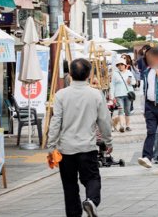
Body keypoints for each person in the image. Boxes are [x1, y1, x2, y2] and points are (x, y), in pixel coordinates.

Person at [48, 58, 112, 217]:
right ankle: (91, 200)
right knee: (92, 178)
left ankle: (74, 214)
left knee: (69, 185)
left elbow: (55, 121)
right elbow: (104, 120)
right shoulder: (96, 94)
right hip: (87, 147)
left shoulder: (61, 95)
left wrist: (51, 145)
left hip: (66, 149)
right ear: (89, 75)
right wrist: (107, 141)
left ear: (70, 74)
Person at [111, 62, 135, 132]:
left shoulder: (129, 72)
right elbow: (112, 85)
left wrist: (130, 82)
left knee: (127, 111)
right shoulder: (115, 73)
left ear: (125, 65)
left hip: (128, 94)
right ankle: (122, 126)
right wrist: (112, 96)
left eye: (122, 65)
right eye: (118, 65)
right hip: (118, 95)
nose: (120, 66)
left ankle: (128, 126)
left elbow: (134, 82)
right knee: (121, 110)